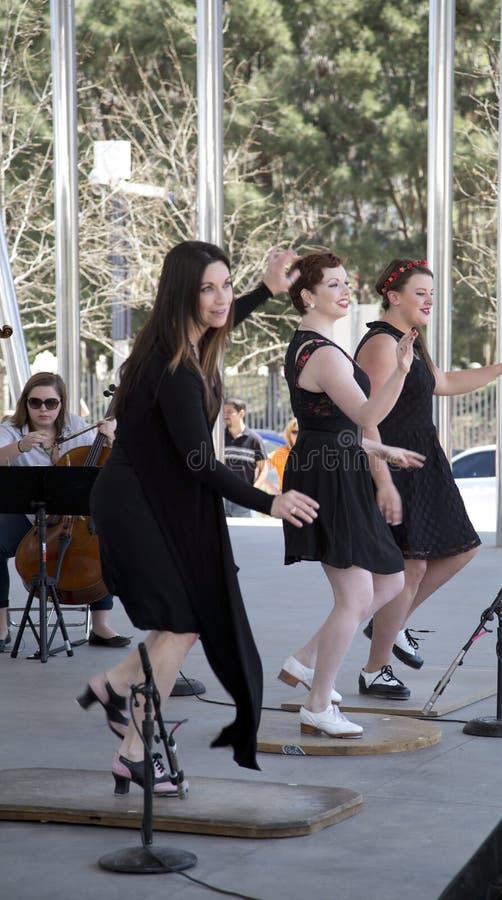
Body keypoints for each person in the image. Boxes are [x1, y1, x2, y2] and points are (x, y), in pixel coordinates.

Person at [82, 240, 318, 795]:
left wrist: (266, 288)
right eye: (206, 288)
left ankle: (121, 707)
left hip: (152, 498)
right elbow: (198, 462)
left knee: (180, 625)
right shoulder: (176, 368)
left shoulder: (177, 343)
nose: (219, 299)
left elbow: (224, 317)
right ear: (181, 295)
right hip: (140, 502)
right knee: (183, 622)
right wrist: (270, 501)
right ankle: (129, 732)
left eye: (225, 285)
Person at [356, 258, 502, 670]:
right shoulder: (382, 344)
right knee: (412, 565)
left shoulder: (411, 340)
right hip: (398, 463)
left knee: (461, 549)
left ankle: (391, 622)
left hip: (427, 462)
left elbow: (444, 383)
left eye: (432, 294)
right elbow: (367, 420)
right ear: (393, 297)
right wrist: (383, 480)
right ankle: (376, 668)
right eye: (420, 293)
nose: (429, 301)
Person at [277, 251, 426, 739]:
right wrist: (401, 371)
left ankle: (306, 662)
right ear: (307, 295)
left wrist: (382, 450)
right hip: (330, 476)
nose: (345, 291)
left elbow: (333, 428)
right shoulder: (318, 351)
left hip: (337, 465)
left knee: (386, 582)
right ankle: (319, 703)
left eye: (346, 282)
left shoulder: (316, 345)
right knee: (359, 592)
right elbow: (362, 413)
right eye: (333, 284)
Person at [0, 372, 130, 653]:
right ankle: (1, 625)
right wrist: (20, 447)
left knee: (107, 539)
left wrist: (110, 440)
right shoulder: (11, 428)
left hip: (73, 515)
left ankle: (100, 624)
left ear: (61, 404)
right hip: (28, 514)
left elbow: (110, 468)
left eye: (51, 403)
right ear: (26, 403)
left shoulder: (74, 424)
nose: (43, 409)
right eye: (35, 403)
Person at [223, 398, 269, 516]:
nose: (225, 415)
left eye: (229, 412)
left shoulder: (255, 440)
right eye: (224, 412)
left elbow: (264, 469)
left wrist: (253, 491)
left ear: (241, 413)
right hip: (222, 499)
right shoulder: (220, 438)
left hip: (244, 502)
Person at [268, 417, 298, 491]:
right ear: (288, 433)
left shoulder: (313, 452)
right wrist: (274, 490)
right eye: (294, 432)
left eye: (301, 431)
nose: (297, 435)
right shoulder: (282, 452)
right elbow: (260, 470)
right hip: (288, 498)